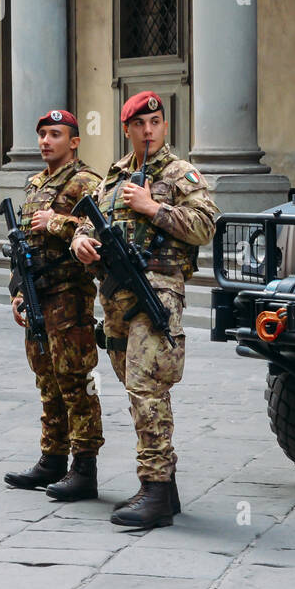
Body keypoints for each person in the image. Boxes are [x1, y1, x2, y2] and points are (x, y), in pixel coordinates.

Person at [71, 92, 218, 529]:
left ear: (165, 126)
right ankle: (165, 490)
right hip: (115, 297)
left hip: (158, 292)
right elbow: (87, 221)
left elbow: (206, 225)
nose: (148, 131)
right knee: (133, 385)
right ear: (128, 129)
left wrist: (153, 207)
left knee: (146, 386)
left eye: (155, 122)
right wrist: (80, 240)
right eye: (140, 124)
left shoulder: (180, 173)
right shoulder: (113, 177)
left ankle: (154, 489)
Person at [3, 109, 104, 501]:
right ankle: (52, 459)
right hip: (38, 296)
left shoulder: (87, 182)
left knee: (76, 381)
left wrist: (57, 223)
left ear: (74, 141)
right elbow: (24, 247)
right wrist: (17, 292)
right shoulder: (36, 183)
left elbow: (97, 233)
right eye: (43, 133)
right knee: (47, 380)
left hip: (70, 297)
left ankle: (84, 467)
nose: (46, 141)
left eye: (55, 134)